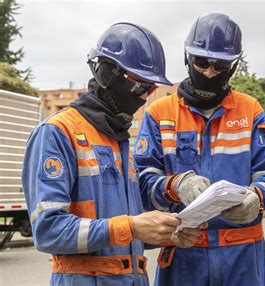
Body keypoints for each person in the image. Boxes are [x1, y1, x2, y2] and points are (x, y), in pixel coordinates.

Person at [22, 23, 203, 286]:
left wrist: (167, 235)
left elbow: (125, 234)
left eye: (151, 88)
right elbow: (47, 231)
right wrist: (131, 227)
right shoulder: (57, 133)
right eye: (140, 86)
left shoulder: (120, 140)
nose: (146, 96)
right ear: (107, 74)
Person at [133, 13, 265, 286]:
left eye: (220, 66)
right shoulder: (159, 113)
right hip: (183, 260)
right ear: (187, 57)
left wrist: (258, 197)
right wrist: (175, 185)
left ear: (233, 66)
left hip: (244, 261)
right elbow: (142, 183)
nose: (209, 72)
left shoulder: (250, 111)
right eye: (201, 63)